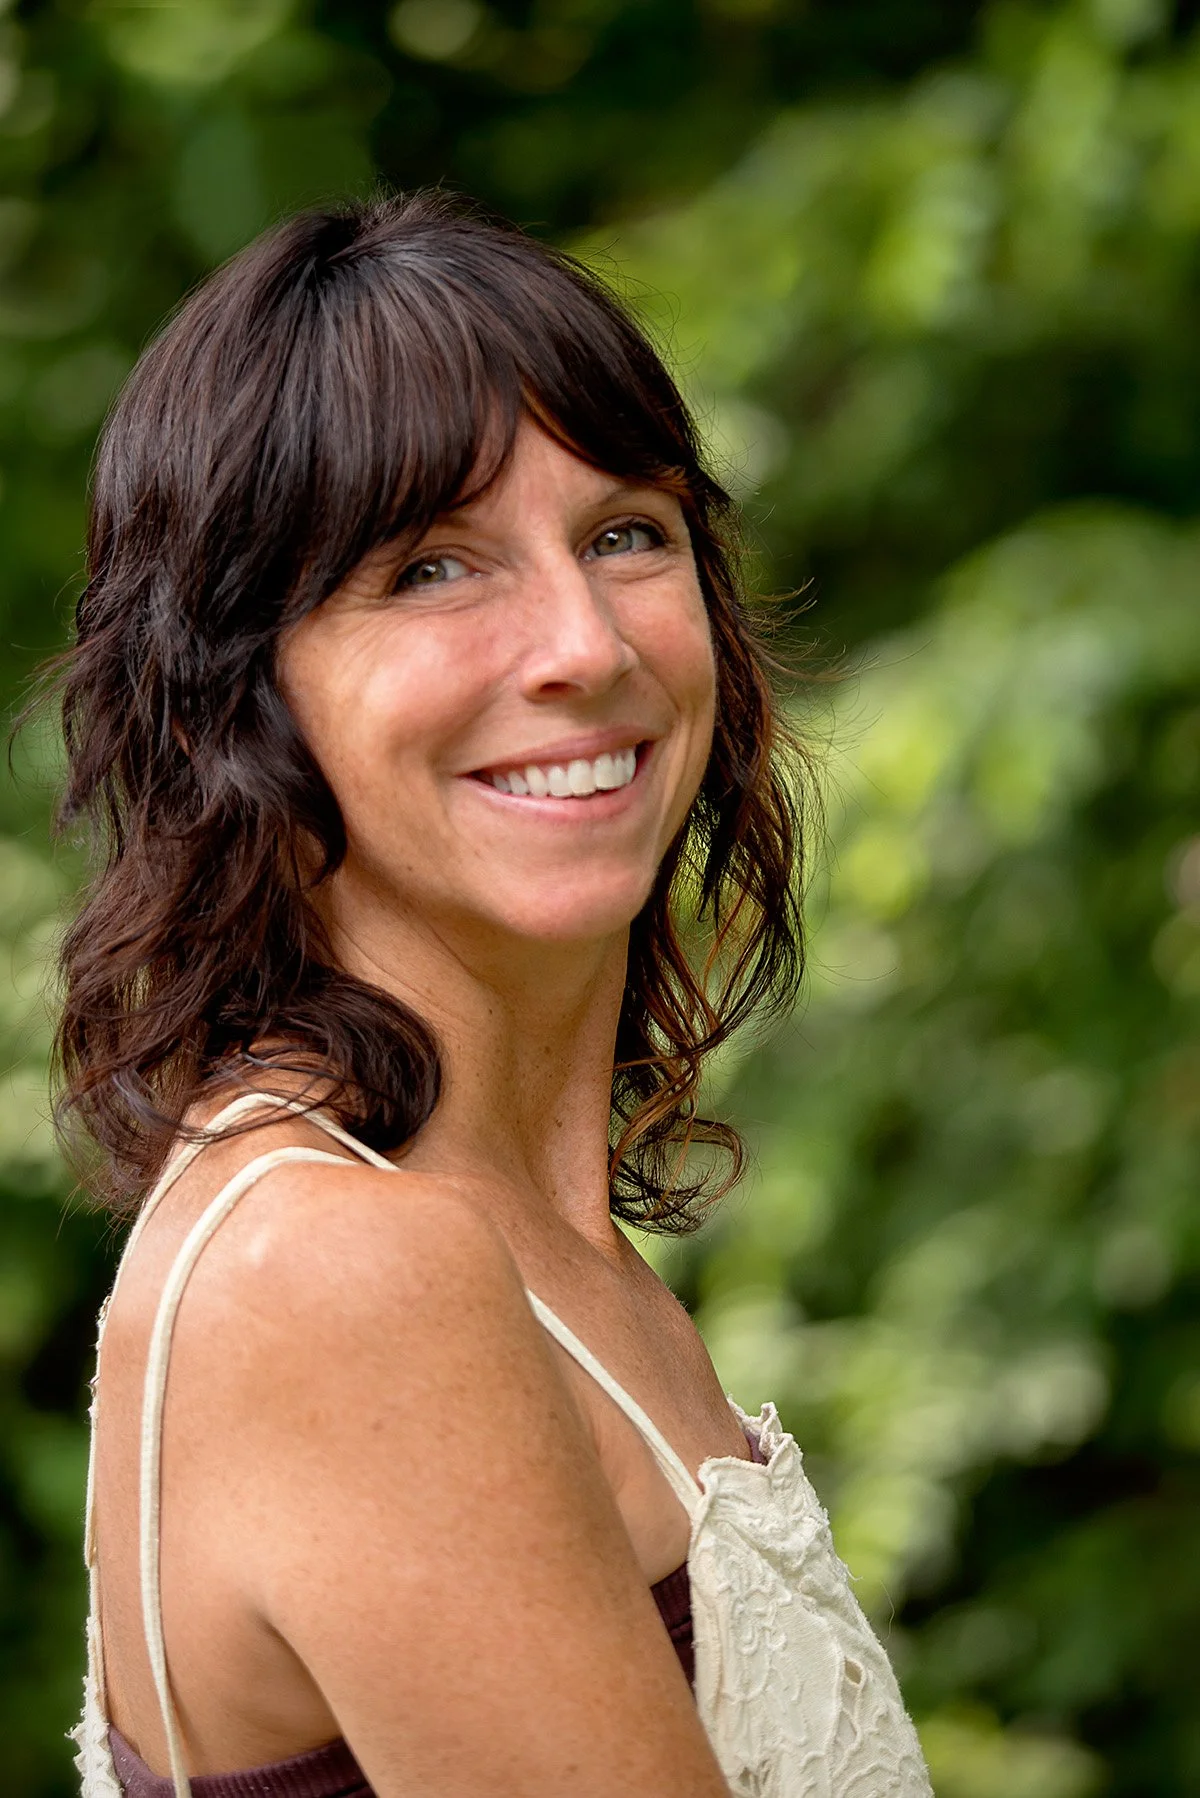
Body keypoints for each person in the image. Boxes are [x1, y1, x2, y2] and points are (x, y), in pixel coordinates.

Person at [55, 193, 933, 1797]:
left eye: (626, 532)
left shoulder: (506, 1234)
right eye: (433, 566)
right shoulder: (345, 1273)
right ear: (231, 697)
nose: (583, 646)